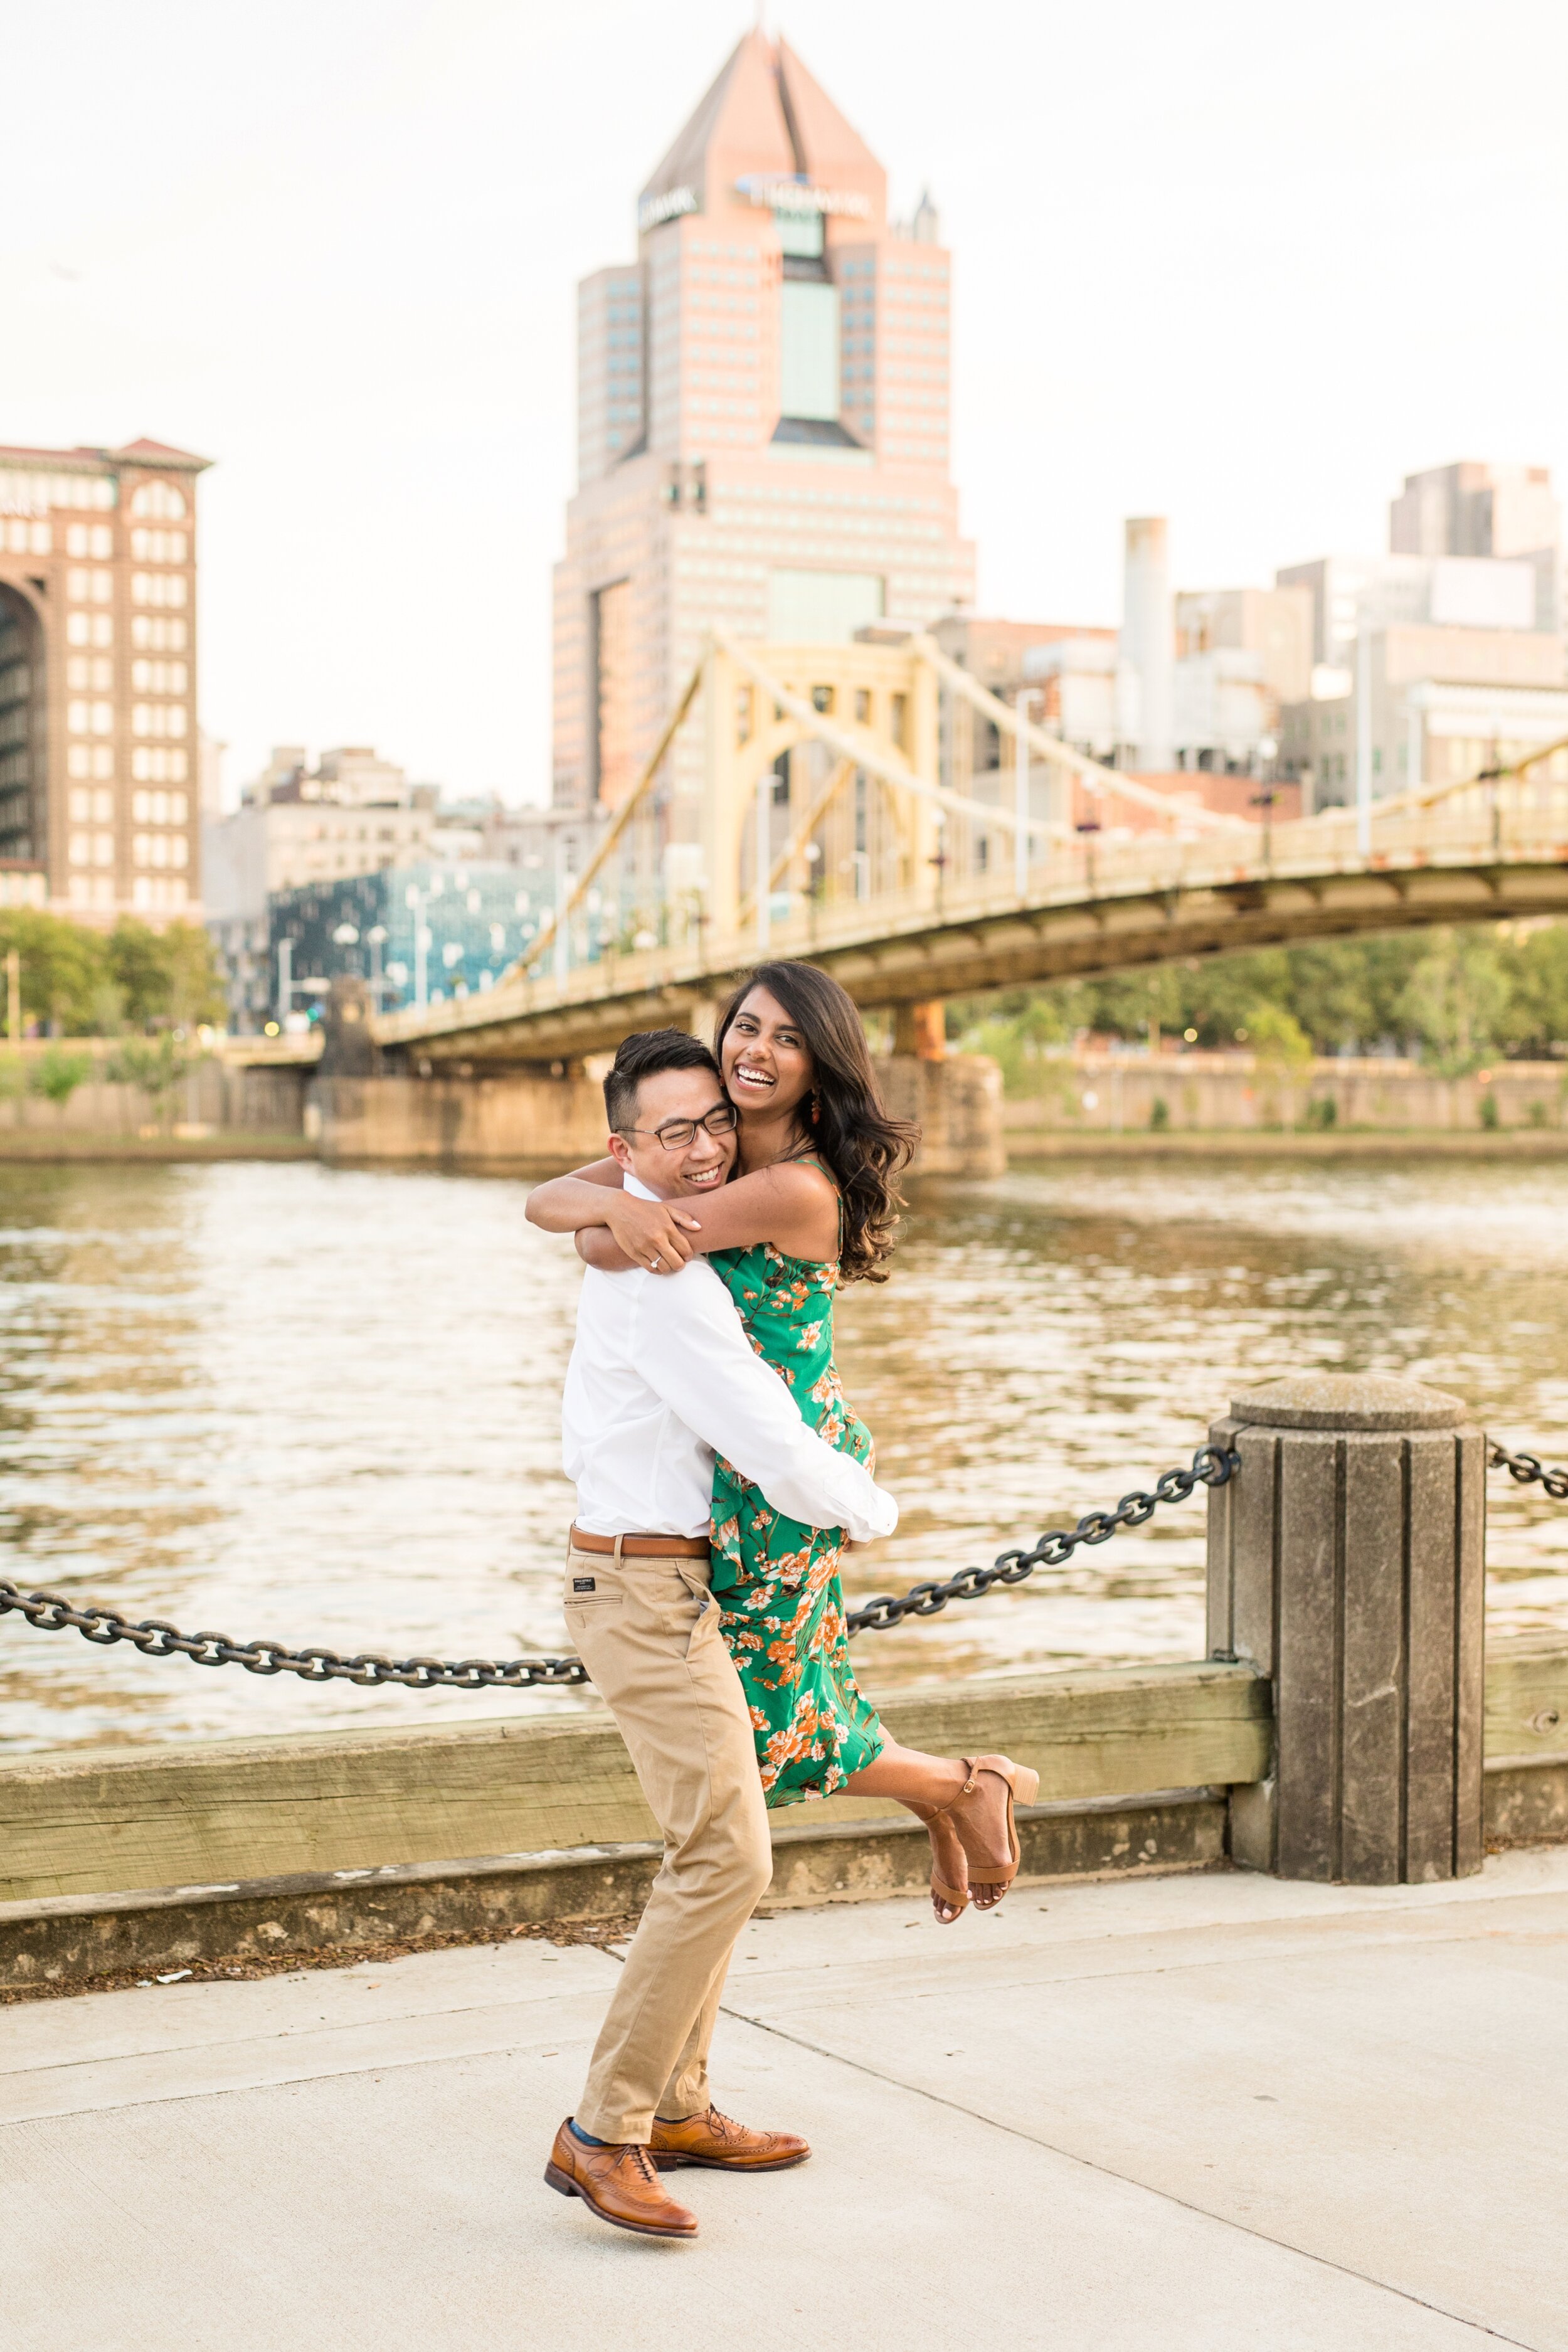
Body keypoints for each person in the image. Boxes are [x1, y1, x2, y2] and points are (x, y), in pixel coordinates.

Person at [526, 963, 1039, 1932]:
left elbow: (603, 1242)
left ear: (819, 1067)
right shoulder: (711, 1136)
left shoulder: (795, 1185)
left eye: (787, 1039)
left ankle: (962, 1787)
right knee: (805, 1693)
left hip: (781, 1471)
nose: (756, 1051)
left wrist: (626, 1204)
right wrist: (622, 1196)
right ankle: (946, 1798)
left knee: (768, 1735)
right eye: (746, 1027)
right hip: (737, 1460)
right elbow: (545, 1200)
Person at [543, 1027, 903, 2242]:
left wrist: (593, 1209)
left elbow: (571, 1211)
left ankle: (677, 2103)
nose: (701, 1151)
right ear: (623, 1149)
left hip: (669, 1587)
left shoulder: (641, 1240)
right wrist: (873, 1505)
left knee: (708, 1848)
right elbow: (772, 1445)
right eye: (672, 1133)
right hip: (642, 1597)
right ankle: (604, 2129)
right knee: (727, 1859)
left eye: (714, 1126)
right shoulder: (665, 1280)